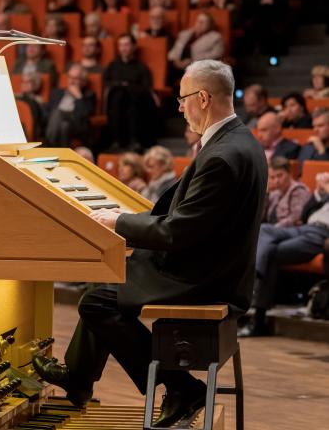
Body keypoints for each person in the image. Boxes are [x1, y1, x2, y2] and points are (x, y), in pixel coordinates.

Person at [33, 60, 267, 428]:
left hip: (206, 276)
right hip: (211, 261)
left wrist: (119, 223)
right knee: (108, 277)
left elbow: (177, 233)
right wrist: (128, 219)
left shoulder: (223, 155)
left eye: (182, 98)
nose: (179, 107)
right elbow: (191, 219)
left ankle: (181, 387)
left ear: (203, 98)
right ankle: (78, 380)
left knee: (96, 301)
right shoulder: (238, 139)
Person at [246, 170, 329, 337]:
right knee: (264, 230)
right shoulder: (323, 197)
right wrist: (320, 193)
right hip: (303, 227)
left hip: (320, 235)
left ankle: (258, 318)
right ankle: (256, 272)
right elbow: (305, 214)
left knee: (271, 253)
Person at [103, 34, 156, 149]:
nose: (123, 48)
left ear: (133, 47)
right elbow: (107, 84)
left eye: (126, 45)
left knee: (131, 100)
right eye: (121, 45)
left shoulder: (141, 67)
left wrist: (127, 87)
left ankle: (134, 140)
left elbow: (146, 88)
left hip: (135, 102)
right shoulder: (112, 66)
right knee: (118, 96)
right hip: (116, 103)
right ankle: (115, 140)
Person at [264, 156, 309, 227]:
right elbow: (262, 217)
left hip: (287, 230)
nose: (276, 181)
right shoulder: (275, 192)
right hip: (270, 229)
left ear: (289, 173)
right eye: (272, 177)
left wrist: (274, 227)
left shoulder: (298, 190)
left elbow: (295, 217)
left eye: (280, 176)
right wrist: (266, 193)